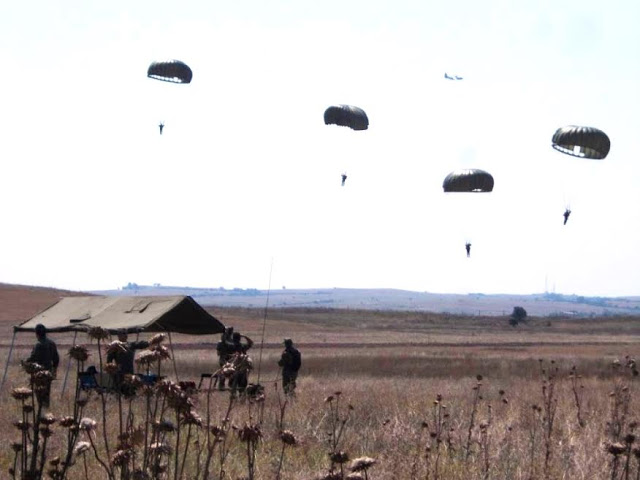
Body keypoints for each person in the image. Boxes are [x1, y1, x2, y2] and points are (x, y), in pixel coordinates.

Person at [26, 324, 60, 408]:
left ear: (36, 333)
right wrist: (54, 370)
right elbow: (56, 359)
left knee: (39, 394)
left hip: (39, 374)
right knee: (46, 393)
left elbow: (33, 358)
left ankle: (41, 413)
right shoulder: (51, 343)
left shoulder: (38, 345)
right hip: (48, 373)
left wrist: (25, 363)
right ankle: (46, 410)